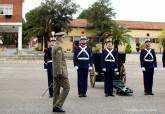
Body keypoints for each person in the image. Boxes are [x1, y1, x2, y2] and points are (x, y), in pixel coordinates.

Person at [52, 32, 70, 113]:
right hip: (60, 72)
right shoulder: (59, 47)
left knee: (56, 90)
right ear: (59, 38)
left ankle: (54, 106)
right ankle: (58, 105)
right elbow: (58, 61)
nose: (64, 39)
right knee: (67, 87)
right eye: (63, 37)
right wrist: (59, 73)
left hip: (55, 71)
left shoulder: (55, 46)